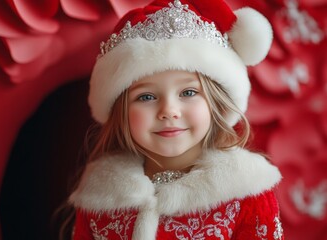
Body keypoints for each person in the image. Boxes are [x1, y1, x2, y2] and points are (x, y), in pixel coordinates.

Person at [68, 0, 284, 239]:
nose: (169, 111)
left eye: (188, 93)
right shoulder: (99, 198)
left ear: (216, 103)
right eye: (146, 96)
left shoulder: (246, 194)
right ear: (120, 111)